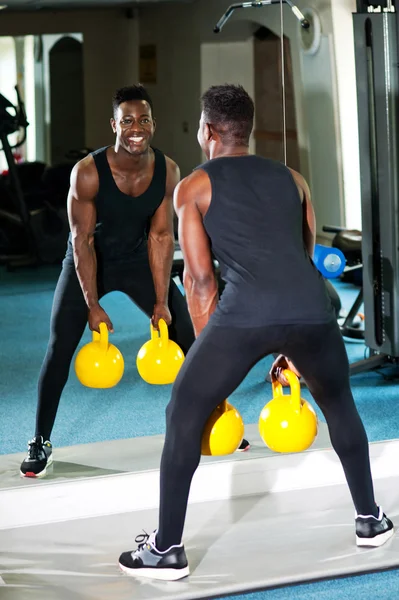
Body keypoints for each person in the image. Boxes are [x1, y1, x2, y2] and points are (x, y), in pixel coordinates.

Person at [118, 84, 394, 581]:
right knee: (340, 406)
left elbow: (200, 282)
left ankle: (165, 549)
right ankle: (370, 520)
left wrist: (209, 369)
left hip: (245, 315)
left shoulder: (193, 187)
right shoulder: (294, 178)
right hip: (311, 312)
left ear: (206, 131)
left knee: (182, 409)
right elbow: (302, 256)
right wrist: (291, 344)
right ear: (246, 129)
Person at [20, 84, 199, 478]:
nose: (137, 128)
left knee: (187, 334)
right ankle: (40, 439)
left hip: (137, 259)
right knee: (59, 347)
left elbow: (161, 236)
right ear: (114, 125)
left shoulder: (167, 170)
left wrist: (160, 300)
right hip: (89, 262)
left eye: (145, 120)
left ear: (153, 124)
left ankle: (215, 414)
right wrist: (92, 304)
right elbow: (81, 240)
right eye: (128, 121)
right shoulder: (87, 172)